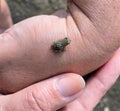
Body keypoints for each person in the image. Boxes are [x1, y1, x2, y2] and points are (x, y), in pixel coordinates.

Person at [0, 0, 119, 110]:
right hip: (56, 46)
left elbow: (62, 45)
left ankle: (3, 29)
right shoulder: (63, 42)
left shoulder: (65, 42)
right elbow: (58, 46)